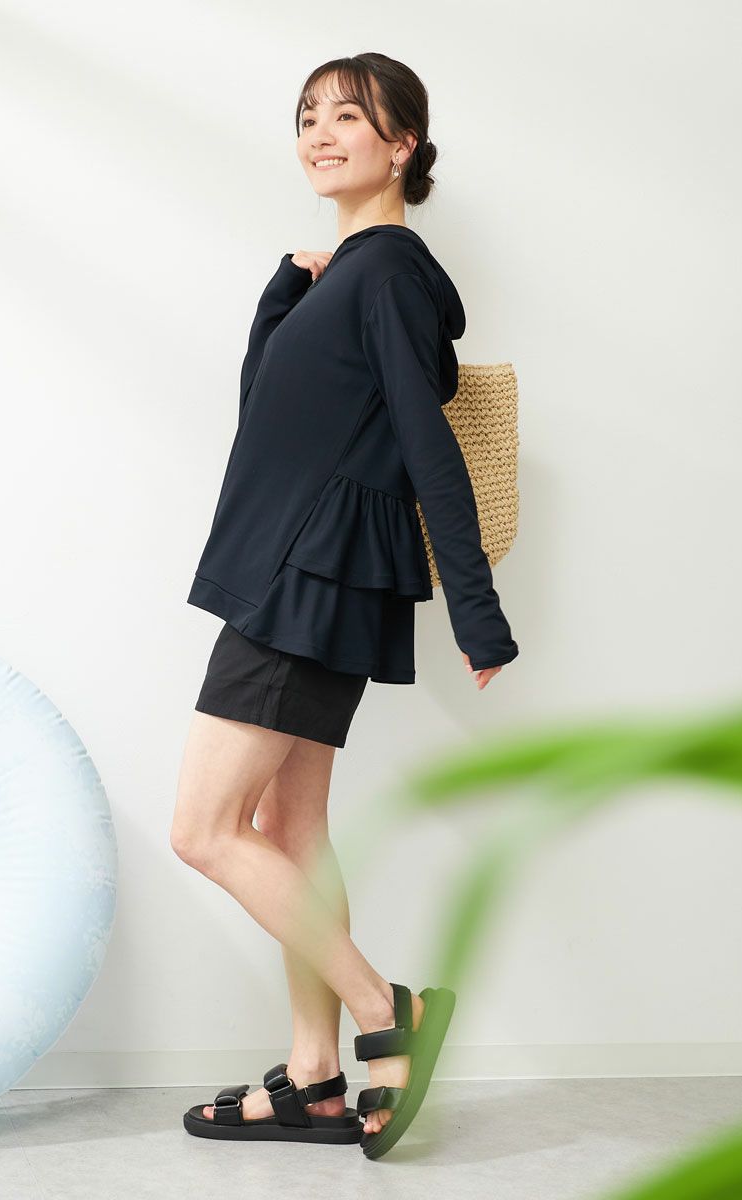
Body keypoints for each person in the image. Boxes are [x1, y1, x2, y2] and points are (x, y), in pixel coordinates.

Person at [172, 52, 518, 1158]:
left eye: (347, 117)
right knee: (289, 829)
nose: (319, 134)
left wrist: (476, 611)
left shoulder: (390, 275)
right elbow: (267, 418)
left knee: (204, 831)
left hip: (304, 575)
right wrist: (283, 296)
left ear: (402, 144)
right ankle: (317, 1076)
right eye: (307, 116)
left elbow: (426, 445)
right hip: (308, 568)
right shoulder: (349, 277)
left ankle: (386, 1012)